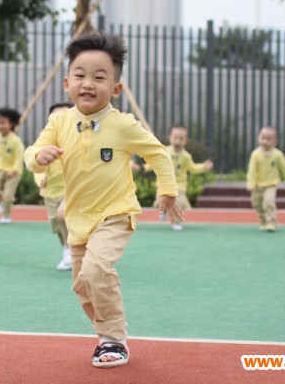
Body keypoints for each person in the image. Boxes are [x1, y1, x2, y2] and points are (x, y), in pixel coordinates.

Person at [25, 32, 183, 368]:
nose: (88, 83)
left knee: (97, 271)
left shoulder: (123, 125)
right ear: (67, 82)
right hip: (77, 218)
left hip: (115, 213)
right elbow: (32, 151)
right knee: (83, 285)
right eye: (80, 75)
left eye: (99, 77)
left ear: (115, 89)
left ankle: (114, 339)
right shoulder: (59, 121)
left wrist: (167, 190)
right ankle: (105, 334)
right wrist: (39, 157)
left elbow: (158, 153)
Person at [145, 126, 213, 230]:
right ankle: (163, 211)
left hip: (179, 186)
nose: (178, 141)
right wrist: (146, 167)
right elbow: (156, 162)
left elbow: (193, 168)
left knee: (179, 202)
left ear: (186, 141)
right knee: (159, 202)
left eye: (181, 139)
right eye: (175, 138)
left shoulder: (186, 156)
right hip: (163, 184)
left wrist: (204, 166)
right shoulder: (165, 151)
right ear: (170, 138)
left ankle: (175, 222)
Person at [33, 102, 73, 270]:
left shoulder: (77, 141)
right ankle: (66, 249)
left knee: (63, 215)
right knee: (58, 227)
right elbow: (37, 166)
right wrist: (40, 178)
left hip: (72, 190)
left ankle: (72, 251)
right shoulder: (46, 142)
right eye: (55, 116)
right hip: (50, 193)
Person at [246, 126, 285, 232]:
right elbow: (252, 170)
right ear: (259, 138)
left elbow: (284, 166)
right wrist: (251, 184)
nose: (265, 142)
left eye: (269, 139)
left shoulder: (277, 154)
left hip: (271, 184)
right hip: (258, 185)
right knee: (257, 204)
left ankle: (271, 222)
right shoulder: (255, 154)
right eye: (263, 138)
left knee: (268, 202)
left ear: (275, 141)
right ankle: (263, 220)